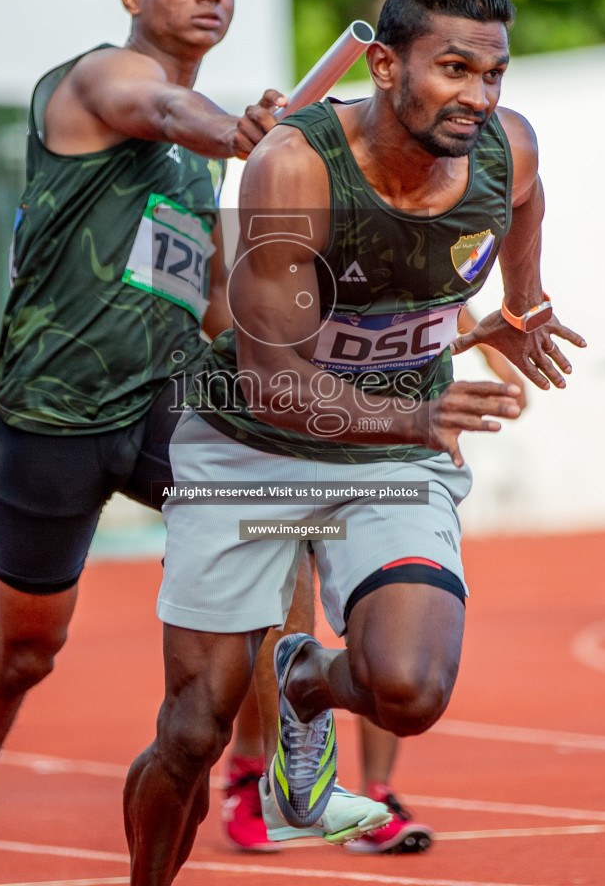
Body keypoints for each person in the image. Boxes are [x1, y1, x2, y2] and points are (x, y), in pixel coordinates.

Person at [124, 0, 585, 885]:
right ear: (385, 67)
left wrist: (522, 303)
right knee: (192, 729)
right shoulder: (295, 166)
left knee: (408, 690)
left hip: (389, 454)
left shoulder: (509, 147)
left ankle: (303, 683)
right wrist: (417, 419)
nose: (479, 95)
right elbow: (277, 386)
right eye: (454, 69)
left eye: (494, 73)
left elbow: (524, 200)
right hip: (252, 448)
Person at [0, 0, 285, 886]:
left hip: (163, 405)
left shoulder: (198, 169)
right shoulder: (96, 80)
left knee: (270, 521)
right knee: (27, 651)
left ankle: (252, 770)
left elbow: (211, 302)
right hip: (53, 410)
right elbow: (162, 107)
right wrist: (240, 129)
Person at [220, 306, 523, 855]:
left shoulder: (414, 228)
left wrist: (510, 325)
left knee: (388, 619)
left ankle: (376, 792)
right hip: (270, 435)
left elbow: (441, 292)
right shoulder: (265, 231)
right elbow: (227, 306)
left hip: (380, 446)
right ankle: (257, 770)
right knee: (283, 606)